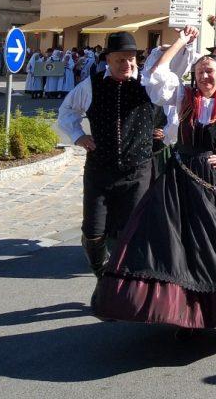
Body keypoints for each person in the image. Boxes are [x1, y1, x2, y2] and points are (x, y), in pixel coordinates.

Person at [93, 26, 216, 330]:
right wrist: (181, 42)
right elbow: (158, 75)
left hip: (212, 184)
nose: (205, 77)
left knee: (213, 245)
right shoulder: (183, 98)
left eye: (210, 71)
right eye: (200, 72)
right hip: (178, 180)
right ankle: (176, 310)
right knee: (171, 243)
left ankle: (209, 310)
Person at [57, 32, 160, 278]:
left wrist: (166, 131)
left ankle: (120, 278)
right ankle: (100, 272)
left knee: (130, 228)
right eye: (120, 60)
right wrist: (78, 136)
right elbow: (67, 111)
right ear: (108, 60)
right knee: (93, 230)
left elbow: (174, 106)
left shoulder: (149, 84)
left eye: (131, 59)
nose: (127, 64)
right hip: (100, 168)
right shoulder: (91, 85)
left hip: (137, 169)